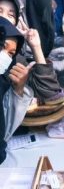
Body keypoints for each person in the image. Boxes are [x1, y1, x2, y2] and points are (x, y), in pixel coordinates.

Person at [0, 16, 29, 165]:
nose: (4, 56)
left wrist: (19, 88)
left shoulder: (3, 82)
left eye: (11, 53)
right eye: (1, 46)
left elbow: (5, 132)